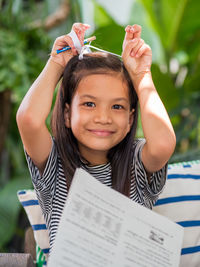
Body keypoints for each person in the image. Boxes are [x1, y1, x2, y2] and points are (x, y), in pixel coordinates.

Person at [16, 23, 176, 252]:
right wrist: (56, 64)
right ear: (68, 114)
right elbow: (29, 121)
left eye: (117, 107)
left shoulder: (137, 164)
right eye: (89, 104)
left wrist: (142, 75)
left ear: (131, 119)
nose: (103, 117)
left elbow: (162, 144)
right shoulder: (54, 164)